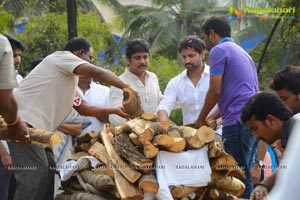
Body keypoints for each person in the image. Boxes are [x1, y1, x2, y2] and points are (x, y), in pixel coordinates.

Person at [9, 36, 134, 200]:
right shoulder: (61, 57)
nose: (92, 61)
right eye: (90, 57)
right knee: (34, 176)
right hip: (23, 123)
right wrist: (127, 87)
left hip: (39, 131)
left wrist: (115, 111)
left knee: (48, 171)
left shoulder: (68, 78)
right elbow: (97, 72)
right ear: (80, 53)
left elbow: (82, 107)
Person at [195, 16, 259, 198]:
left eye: (205, 37)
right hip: (250, 120)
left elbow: (215, 91)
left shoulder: (218, 50)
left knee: (237, 178)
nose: (205, 42)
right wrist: (211, 119)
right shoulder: (241, 51)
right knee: (244, 173)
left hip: (238, 123)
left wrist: (200, 120)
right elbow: (233, 96)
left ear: (212, 34)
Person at [240, 92, 297, 200]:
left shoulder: (295, 137)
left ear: (270, 120)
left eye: (255, 128)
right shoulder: (290, 133)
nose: (255, 136)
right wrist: (264, 184)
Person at [157, 35, 219, 125]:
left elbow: (228, 104)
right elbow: (164, 107)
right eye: (184, 57)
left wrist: (216, 123)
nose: (187, 61)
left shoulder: (215, 76)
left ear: (202, 54)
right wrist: (166, 127)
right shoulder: (175, 83)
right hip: (189, 135)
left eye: (191, 56)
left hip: (217, 130)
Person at [0, 34, 29, 200]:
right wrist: (3, 153)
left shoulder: (18, 78)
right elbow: (6, 104)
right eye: (13, 55)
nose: (17, 60)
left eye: (19, 55)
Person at [109, 38, 163, 126]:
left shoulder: (152, 77)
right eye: (137, 58)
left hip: (154, 133)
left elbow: (159, 100)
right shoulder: (119, 82)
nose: (142, 61)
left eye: (145, 57)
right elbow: (114, 117)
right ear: (128, 60)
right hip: (132, 134)